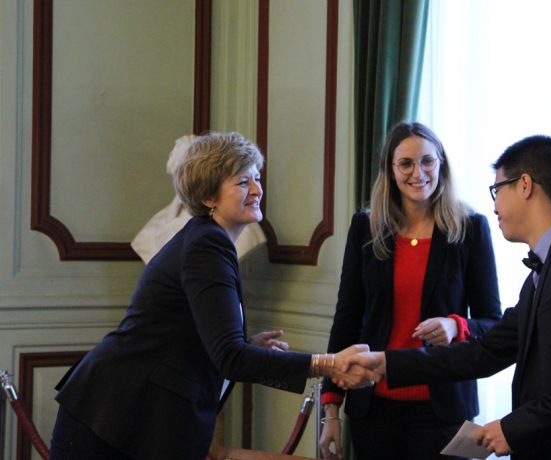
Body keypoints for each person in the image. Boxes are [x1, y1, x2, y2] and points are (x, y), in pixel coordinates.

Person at [341, 135, 551, 459]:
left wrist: (515, 427)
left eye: (498, 189)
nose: (494, 204)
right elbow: (484, 352)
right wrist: (385, 363)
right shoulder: (544, 271)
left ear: (525, 185)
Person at [49, 132, 368, 460]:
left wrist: (249, 347)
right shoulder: (207, 245)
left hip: (127, 416)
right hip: (114, 419)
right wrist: (328, 364)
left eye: (257, 178)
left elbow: (201, 341)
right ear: (208, 196)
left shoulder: (208, 240)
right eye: (243, 182)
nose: (257, 189)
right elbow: (230, 357)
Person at [319, 121, 502, 460]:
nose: (418, 172)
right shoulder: (365, 227)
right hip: (373, 409)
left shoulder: (471, 229)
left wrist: (456, 326)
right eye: (406, 163)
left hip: (444, 410)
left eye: (428, 161)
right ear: (390, 170)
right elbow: (347, 319)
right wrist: (330, 408)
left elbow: (493, 322)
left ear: (441, 165)